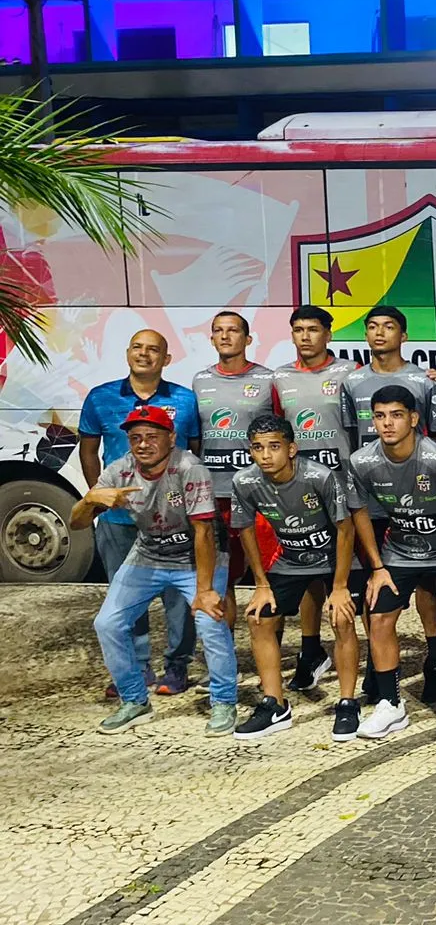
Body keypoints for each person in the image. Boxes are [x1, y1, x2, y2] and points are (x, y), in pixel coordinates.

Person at [77, 405, 238, 737]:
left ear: (172, 438)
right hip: (148, 553)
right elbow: (76, 522)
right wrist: (91, 499)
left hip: (197, 557)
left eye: (152, 436)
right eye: (135, 437)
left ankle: (224, 702)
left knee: (210, 621)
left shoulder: (189, 468)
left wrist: (205, 591)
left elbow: (205, 533)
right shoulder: (119, 470)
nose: (143, 444)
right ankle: (135, 701)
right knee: (107, 623)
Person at [346, 385, 436, 742]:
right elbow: (358, 516)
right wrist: (377, 569)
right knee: (379, 613)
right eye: (380, 415)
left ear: (414, 419)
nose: (387, 423)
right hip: (397, 555)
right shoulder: (362, 461)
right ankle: (391, 704)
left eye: (396, 415)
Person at [77, 329, 200, 699]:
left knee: (179, 597)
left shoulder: (185, 400)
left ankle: (177, 667)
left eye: (153, 350)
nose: (143, 355)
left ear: (166, 359)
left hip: (172, 519)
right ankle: (137, 667)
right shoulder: (100, 398)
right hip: (119, 522)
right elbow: (88, 449)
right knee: (125, 596)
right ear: (127, 353)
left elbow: (195, 452)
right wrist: (100, 494)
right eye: (137, 348)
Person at [341, 307, 436, 704]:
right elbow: (351, 433)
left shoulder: (423, 380)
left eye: (388, 326)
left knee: (426, 577)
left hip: (418, 483)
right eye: (371, 326)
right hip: (372, 485)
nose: (379, 333)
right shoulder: (351, 381)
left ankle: (435, 656)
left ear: (403, 334)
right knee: (379, 576)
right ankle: (376, 666)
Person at [231, 414, 360, 740]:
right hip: (290, 559)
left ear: (291, 449)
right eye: (258, 448)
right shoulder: (245, 482)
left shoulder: (320, 477)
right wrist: (260, 584)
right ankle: (274, 704)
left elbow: (346, 530)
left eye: (274, 447)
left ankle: (347, 703)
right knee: (258, 617)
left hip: (334, 559)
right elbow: (244, 530)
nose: (265, 455)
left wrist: (341, 587)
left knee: (342, 617)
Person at [270, 304, 358, 694]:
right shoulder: (280, 378)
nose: (305, 336)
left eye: (313, 329)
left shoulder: (349, 373)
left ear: (329, 334)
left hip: (341, 487)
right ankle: (310, 651)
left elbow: (360, 428)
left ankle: (364, 670)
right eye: (298, 330)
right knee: (307, 573)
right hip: (296, 492)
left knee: (346, 578)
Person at [192, 310, 272, 629]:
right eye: (218, 331)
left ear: (248, 339)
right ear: (211, 338)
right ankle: (228, 664)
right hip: (213, 498)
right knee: (221, 583)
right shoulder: (200, 381)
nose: (225, 336)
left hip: (258, 497)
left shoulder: (268, 379)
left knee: (268, 577)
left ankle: (273, 654)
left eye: (233, 330)